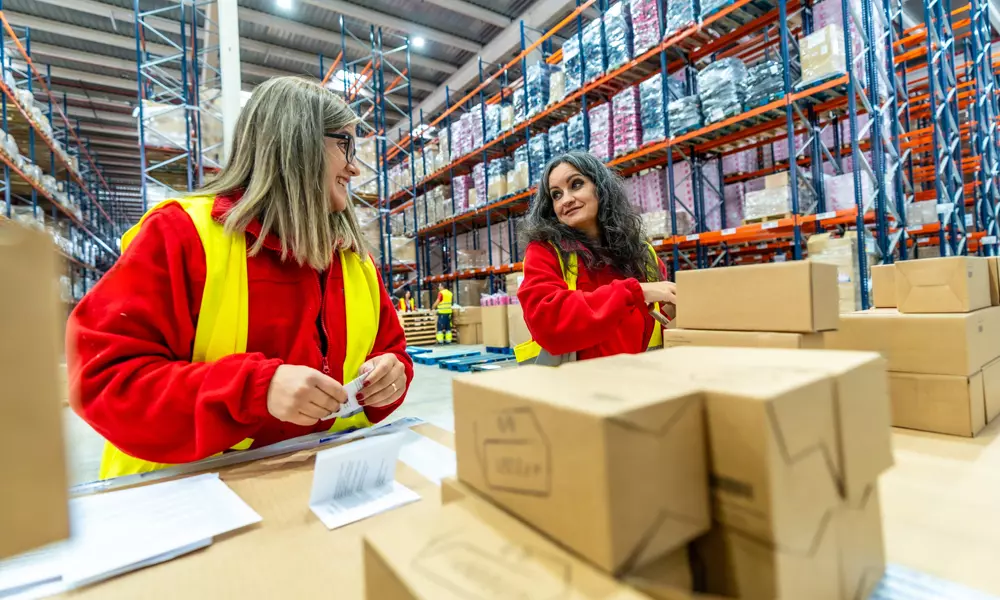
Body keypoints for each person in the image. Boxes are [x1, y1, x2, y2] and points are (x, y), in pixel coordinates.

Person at [66, 77, 413, 480]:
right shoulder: (182, 236)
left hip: (319, 489)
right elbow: (103, 380)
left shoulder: (353, 260)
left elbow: (392, 351)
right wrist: (254, 390)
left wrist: (393, 377)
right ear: (296, 142)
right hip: (189, 500)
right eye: (344, 145)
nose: (354, 166)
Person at [515, 151, 676, 365]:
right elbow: (547, 321)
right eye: (556, 195)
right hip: (572, 390)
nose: (567, 199)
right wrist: (634, 292)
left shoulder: (643, 254)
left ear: (600, 188)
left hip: (637, 383)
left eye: (576, 184)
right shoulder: (544, 252)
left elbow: (657, 325)